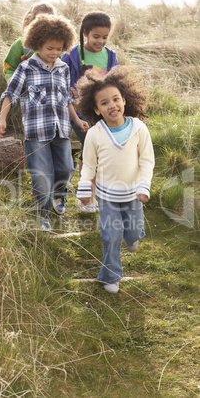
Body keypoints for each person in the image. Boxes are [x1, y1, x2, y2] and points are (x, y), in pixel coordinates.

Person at [0, 15, 89, 231]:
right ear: (36, 44)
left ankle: (59, 195)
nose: (54, 53)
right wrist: (2, 120)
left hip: (61, 129)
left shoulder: (63, 68)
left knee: (65, 168)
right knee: (42, 175)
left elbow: (66, 99)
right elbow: (10, 94)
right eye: (50, 48)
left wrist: (77, 120)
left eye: (59, 48)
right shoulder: (26, 68)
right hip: (36, 132)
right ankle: (43, 213)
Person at [76, 66, 155, 293]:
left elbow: (147, 161)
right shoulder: (94, 134)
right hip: (107, 196)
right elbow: (89, 165)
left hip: (134, 194)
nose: (112, 105)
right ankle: (111, 276)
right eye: (104, 103)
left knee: (132, 233)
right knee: (111, 235)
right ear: (97, 109)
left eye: (116, 99)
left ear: (125, 101)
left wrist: (144, 186)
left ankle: (133, 236)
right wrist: (84, 190)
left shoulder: (139, 129)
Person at [61, 11, 119, 213]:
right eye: (96, 36)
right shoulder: (72, 55)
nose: (100, 41)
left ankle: (101, 193)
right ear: (85, 33)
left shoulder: (110, 56)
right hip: (79, 113)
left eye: (105, 37)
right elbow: (61, 78)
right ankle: (86, 197)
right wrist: (69, 88)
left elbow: (116, 83)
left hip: (102, 112)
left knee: (103, 153)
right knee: (89, 150)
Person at [3, 3, 55, 83]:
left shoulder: (58, 44)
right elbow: (9, 67)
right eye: (39, 20)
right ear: (31, 20)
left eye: (48, 20)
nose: (44, 25)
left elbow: (65, 66)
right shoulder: (20, 44)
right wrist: (12, 81)